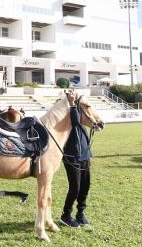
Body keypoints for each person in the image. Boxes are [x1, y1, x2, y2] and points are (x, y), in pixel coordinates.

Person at [59, 94, 94, 229]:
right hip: (71, 156)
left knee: (85, 186)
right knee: (75, 187)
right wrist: (72, 103)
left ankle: (80, 214)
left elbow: (83, 119)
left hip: (84, 155)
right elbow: (74, 121)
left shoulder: (79, 113)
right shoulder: (67, 112)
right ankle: (66, 215)